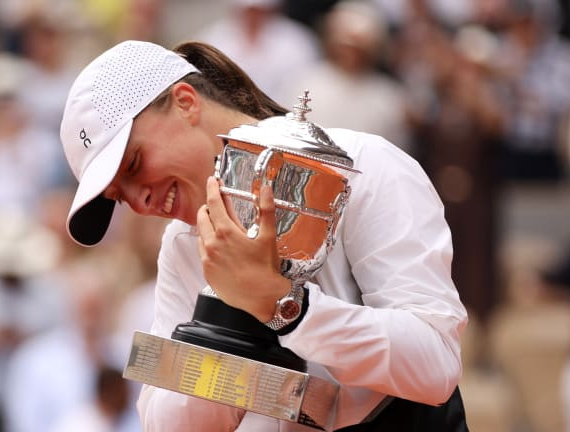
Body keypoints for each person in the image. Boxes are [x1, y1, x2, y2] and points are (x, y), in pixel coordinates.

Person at [59, 40, 468, 431]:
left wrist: (285, 305)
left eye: (133, 164)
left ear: (185, 102)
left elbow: (436, 367)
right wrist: (227, 324)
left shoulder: (364, 165)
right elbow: (163, 421)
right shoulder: (182, 244)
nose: (139, 200)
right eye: (119, 197)